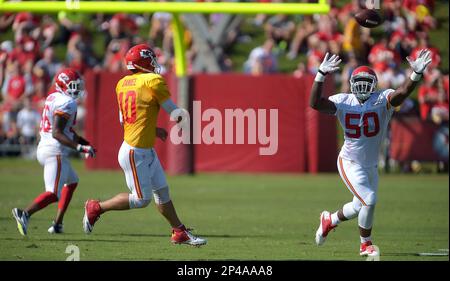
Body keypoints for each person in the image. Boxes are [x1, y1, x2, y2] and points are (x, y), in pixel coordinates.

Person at [309, 49, 432, 256]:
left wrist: (415, 74)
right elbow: (314, 103)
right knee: (370, 199)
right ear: (351, 83)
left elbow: (402, 92)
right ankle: (365, 244)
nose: (362, 86)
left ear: (375, 85)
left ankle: (330, 219)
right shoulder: (343, 101)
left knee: (359, 205)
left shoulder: (382, 99)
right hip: (349, 161)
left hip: (370, 165)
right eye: (358, 82)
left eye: (367, 82)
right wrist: (320, 74)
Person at [82, 44, 206, 247]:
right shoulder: (152, 80)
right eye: (151, 59)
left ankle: (179, 232)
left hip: (143, 148)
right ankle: (96, 207)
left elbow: (126, 120)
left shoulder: (122, 83)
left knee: (162, 192)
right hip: (135, 151)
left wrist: (153, 130)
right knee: (141, 200)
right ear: (144, 62)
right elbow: (174, 112)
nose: (155, 63)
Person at [12, 68, 96, 235]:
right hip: (54, 150)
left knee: (72, 181)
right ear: (63, 85)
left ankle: (57, 224)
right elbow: (57, 133)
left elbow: (67, 131)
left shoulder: (53, 98)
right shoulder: (67, 102)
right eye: (73, 85)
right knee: (52, 193)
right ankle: (24, 213)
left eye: (78, 85)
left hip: (46, 147)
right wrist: (79, 148)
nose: (77, 89)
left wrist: (85, 143)